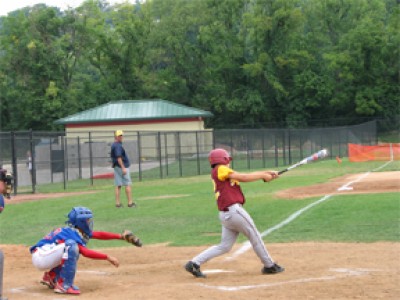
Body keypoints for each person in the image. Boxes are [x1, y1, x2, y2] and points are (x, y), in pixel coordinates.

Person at [184, 148, 284, 278]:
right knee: (255, 236)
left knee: (224, 246)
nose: (229, 163)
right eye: (228, 160)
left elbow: (244, 174)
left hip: (226, 215)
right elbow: (243, 177)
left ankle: (194, 263)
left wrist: (267, 173)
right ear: (223, 160)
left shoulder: (221, 172)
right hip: (234, 211)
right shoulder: (220, 168)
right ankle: (270, 266)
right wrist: (263, 176)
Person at [30, 206, 142, 295]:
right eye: (87, 220)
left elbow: (98, 234)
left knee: (71, 250)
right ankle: (64, 286)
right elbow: (85, 252)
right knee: (72, 247)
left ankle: (52, 276)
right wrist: (107, 257)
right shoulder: (72, 233)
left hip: (45, 254)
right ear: (81, 222)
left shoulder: (74, 230)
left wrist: (120, 236)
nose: (89, 222)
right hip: (41, 257)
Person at [110, 130, 136, 208]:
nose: (121, 137)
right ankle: (130, 203)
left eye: (122, 135)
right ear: (116, 136)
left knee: (118, 185)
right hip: (121, 167)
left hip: (116, 167)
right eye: (119, 136)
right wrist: (123, 168)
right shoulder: (118, 146)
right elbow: (119, 157)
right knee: (127, 184)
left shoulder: (114, 145)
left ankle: (118, 204)